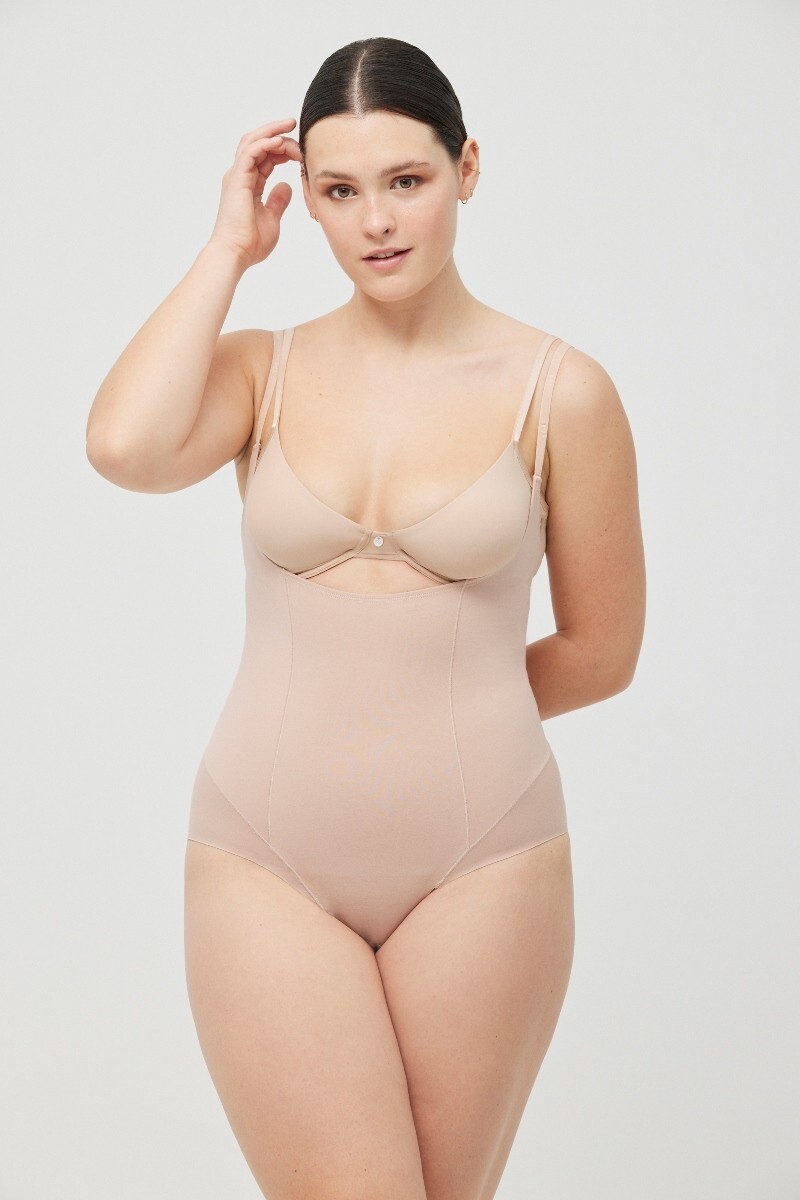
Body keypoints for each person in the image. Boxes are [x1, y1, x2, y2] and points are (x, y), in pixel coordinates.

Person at [86, 35, 645, 1200]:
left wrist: (446, 718)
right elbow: (125, 447)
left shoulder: (561, 391)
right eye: (338, 191)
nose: (376, 222)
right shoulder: (262, 372)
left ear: (466, 168)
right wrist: (228, 250)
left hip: (483, 858)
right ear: (306, 202)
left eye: (406, 180)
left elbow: (601, 651)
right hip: (263, 853)